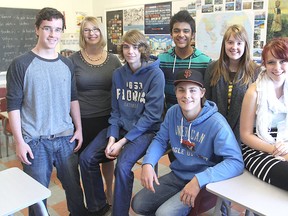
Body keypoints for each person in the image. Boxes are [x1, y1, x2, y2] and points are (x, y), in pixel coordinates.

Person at [6, 7, 87, 216]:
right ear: (37, 29)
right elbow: (13, 106)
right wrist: (19, 141)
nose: (53, 34)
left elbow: (73, 99)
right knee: (37, 198)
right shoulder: (20, 64)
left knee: (75, 191)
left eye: (58, 29)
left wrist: (78, 129)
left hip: (65, 139)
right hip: (35, 142)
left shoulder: (67, 64)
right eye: (47, 28)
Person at [131, 69, 244, 216]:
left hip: (206, 183)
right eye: (181, 90)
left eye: (193, 90)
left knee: (164, 213)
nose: (187, 96)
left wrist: (199, 180)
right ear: (175, 92)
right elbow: (160, 140)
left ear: (202, 93)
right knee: (139, 204)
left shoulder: (217, 124)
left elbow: (236, 162)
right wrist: (148, 163)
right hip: (179, 175)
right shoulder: (173, 113)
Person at [79, 29, 165, 216]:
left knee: (123, 166)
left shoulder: (155, 75)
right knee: (86, 158)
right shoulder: (118, 74)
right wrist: (112, 137)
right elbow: (115, 111)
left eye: (135, 47)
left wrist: (122, 142)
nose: (130, 51)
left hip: (146, 131)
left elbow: (151, 117)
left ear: (143, 49)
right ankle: (98, 207)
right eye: (126, 47)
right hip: (122, 128)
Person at [69, 16, 122, 205]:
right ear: (82, 34)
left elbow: (119, 89)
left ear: (101, 33)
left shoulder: (114, 60)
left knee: (107, 158)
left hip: (108, 118)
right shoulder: (72, 60)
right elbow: (69, 92)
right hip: (82, 120)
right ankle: (95, 198)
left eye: (96, 29)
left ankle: (110, 190)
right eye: (87, 30)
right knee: (85, 160)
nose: (92, 33)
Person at [240, 37, 288, 191]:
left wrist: (285, 147)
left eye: (283, 61)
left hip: (285, 142)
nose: (277, 67)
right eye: (271, 62)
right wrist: (274, 149)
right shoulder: (254, 92)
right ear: (264, 64)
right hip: (258, 147)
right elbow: (245, 135)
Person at [204, 24, 260, 144]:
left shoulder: (255, 71)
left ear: (245, 46)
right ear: (224, 44)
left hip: (244, 135)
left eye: (239, 43)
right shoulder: (212, 68)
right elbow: (206, 101)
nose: (234, 47)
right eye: (230, 42)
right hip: (215, 130)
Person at [159, 10, 211, 110]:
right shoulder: (161, 60)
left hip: (196, 120)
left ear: (193, 35)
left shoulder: (205, 62)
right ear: (171, 34)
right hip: (169, 118)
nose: (181, 35)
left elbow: (208, 96)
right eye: (176, 31)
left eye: (186, 31)